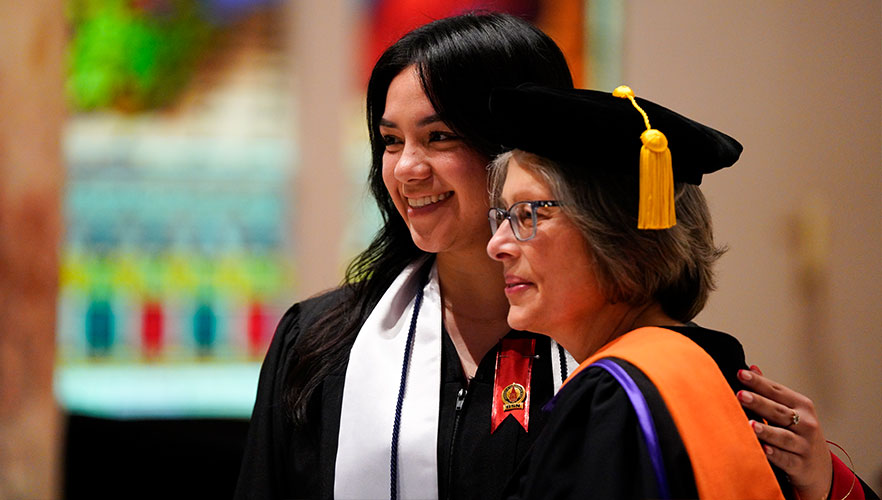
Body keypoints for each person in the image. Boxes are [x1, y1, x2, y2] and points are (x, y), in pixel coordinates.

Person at [234, 11, 862, 500]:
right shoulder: (322, 343)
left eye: (439, 136)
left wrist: (825, 484)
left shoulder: (647, 369)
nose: (407, 169)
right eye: (389, 141)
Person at [485, 84, 879, 499]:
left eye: (532, 213)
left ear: (623, 234)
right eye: (503, 216)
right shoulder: (711, 361)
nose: (498, 246)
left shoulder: (616, 399)